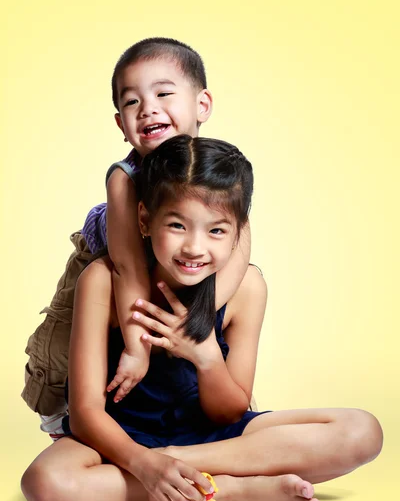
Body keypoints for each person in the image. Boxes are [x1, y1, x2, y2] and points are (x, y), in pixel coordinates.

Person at [21, 135, 383, 501]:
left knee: (362, 431)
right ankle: (233, 487)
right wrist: (139, 461)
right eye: (177, 225)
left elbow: (230, 412)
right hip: (121, 437)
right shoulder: (103, 280)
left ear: (238, 231)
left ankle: (177, 472)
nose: (195, 248)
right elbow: (85, 412)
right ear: (144, 220)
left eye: (216, 231)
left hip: (215, 441)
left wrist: (207, 356)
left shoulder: (246, 288)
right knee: (47, 484)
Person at [21, 38, 253, 440]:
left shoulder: (216, 171)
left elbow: (242, 245)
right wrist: (138, 350)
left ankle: (204, 424)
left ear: (202, 105)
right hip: (106, 262)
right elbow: (126, 267)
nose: (147, 108)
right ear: (121, 125)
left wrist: (199, 320)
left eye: (163, 93)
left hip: (171, 268)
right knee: (63, 347)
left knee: (194, 354)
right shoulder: (124, 179)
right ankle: (62, 418)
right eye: (132, 103)